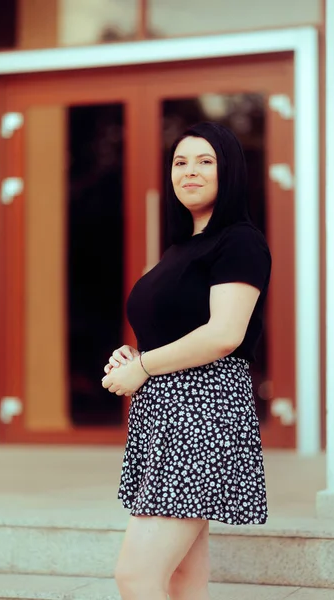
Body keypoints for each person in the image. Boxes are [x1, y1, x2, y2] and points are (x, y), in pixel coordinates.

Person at [101, 121, 271, 600]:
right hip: (166, 414)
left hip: (204, 412)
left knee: (135, 575)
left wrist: (146, 367)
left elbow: (223, 335)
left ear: (229, 172)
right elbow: (173, 329)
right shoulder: (181, 249)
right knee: (181, 577)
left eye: (205, 161)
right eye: (180, 162)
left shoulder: (239, 241)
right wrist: (135, 355)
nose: (189, 172)